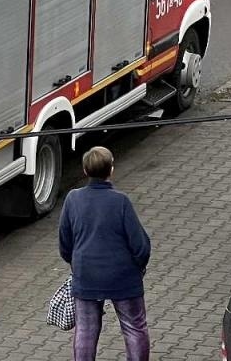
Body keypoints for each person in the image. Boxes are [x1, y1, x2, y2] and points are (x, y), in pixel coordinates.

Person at [58, 146, 151, 361]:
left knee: (85, 330)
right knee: (134, 327)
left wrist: (77, 264)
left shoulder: (73, 199)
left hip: (86, 275)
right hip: (123, 276)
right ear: (111, 170)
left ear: (85, 170)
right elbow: (141, 246)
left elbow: (65, 243)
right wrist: (138, 268)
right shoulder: (121, 201)